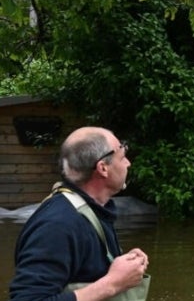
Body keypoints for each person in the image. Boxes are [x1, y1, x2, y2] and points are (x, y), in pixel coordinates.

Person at [9, 127, 150, 301]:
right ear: (103, 168)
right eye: (122, 157)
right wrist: (113, 283)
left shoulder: (92, 210)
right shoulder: (58, 225)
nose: (128, 163)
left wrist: (122, 266)